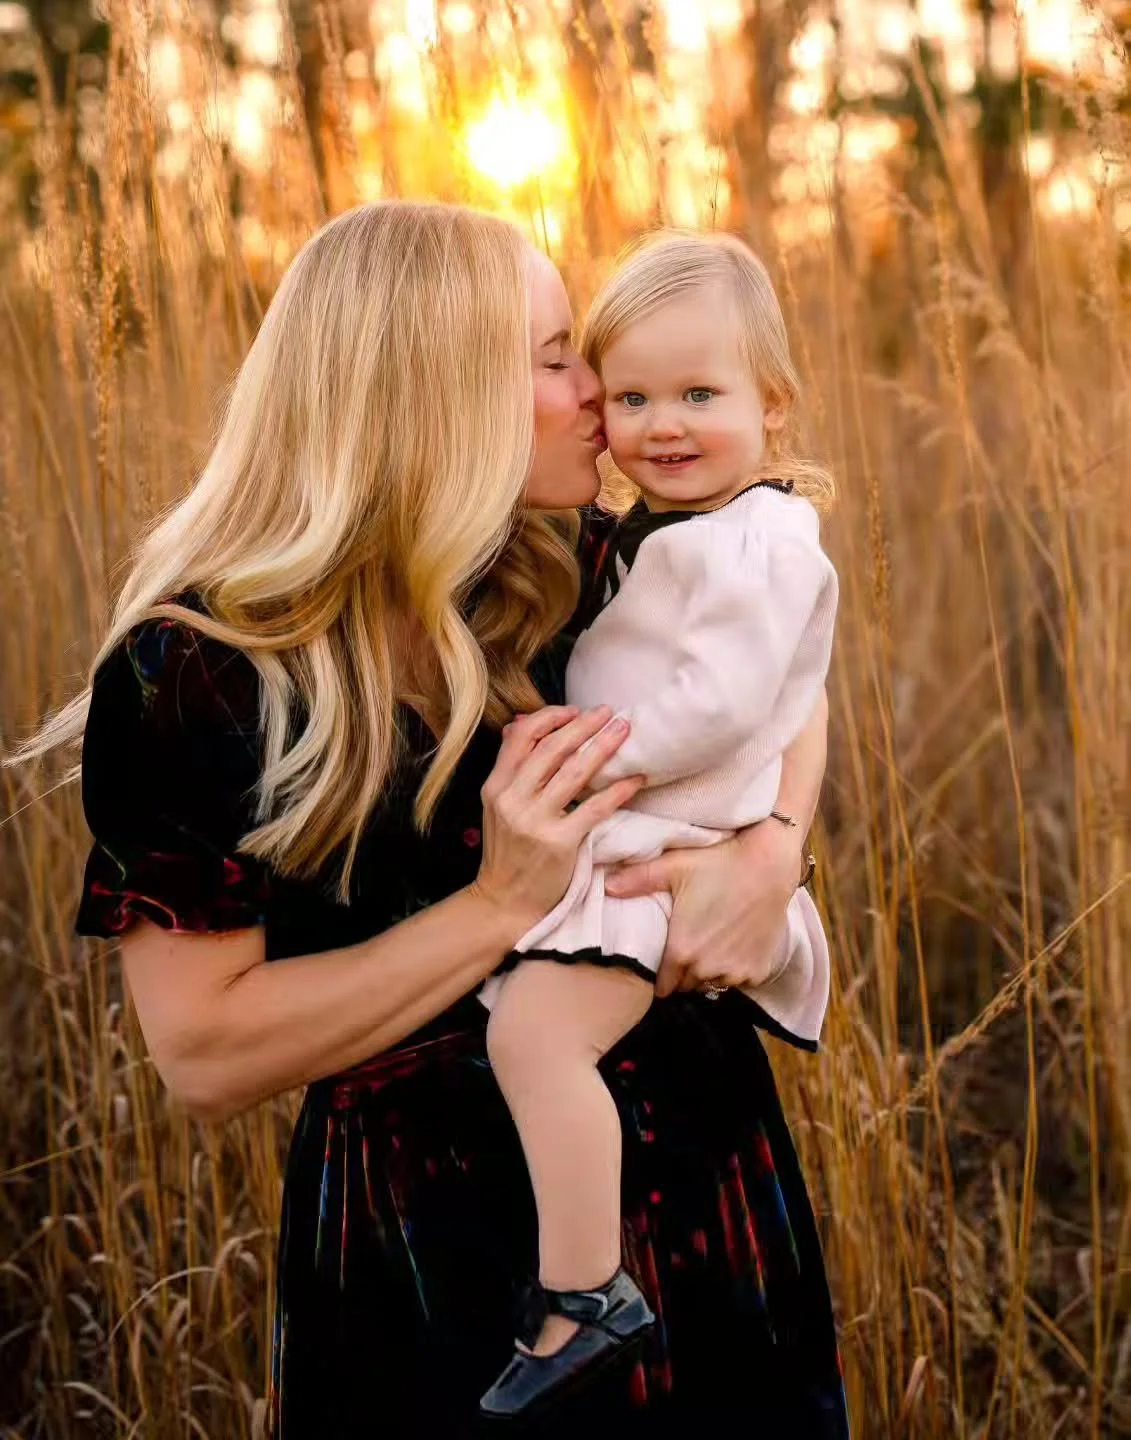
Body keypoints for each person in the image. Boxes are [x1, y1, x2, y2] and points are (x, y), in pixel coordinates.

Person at [15, 202, 849, 1437]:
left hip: (706, 1181)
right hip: (437, 1255)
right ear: (432, 393)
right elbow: (204, 1054)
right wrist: (500, 906)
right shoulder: (201, 672)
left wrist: (775, 848)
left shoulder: (566, 563)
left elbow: (782, 663)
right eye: (557, 356)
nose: (597, 392)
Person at [477, 231, 839, 1419]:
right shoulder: (667, 528)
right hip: (632, 834)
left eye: (698, 394)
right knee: (525, 1028)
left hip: (648, 851)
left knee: (536, 1040)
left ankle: (582, 1292)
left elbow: (735, 701)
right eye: (629, 395)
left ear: (772, 404)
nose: (656, 423)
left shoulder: (757, 541)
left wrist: (593, 764)